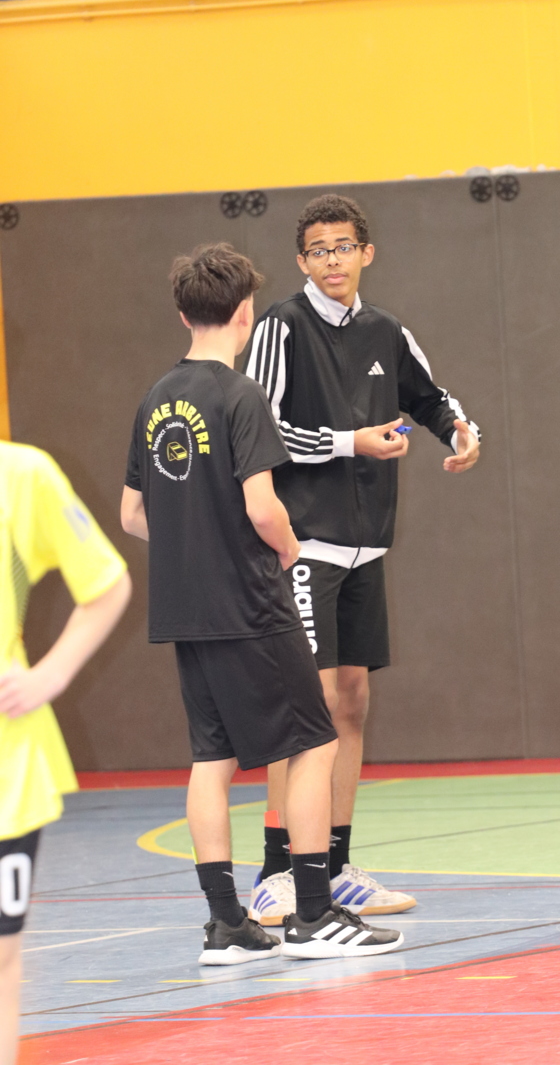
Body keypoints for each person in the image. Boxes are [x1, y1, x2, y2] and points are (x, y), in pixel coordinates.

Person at [121, 242, 403, 963]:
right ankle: (312, 915)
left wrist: (193, 543)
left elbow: (132, 514)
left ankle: (227, 926)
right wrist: (286, 549)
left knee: (211, 759)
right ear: (245, 312)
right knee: (313, 743)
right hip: (249, 602)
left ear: (183, 313)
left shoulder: (156, 398)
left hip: (184, 609)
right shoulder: (240, 395)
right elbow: (263, 507)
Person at [244, 194, 481, 925]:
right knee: (307, 708)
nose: (333, 260)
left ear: (366, 253)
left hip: (366, 543)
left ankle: (336, 865)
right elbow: (260, 427)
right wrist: (351, 442)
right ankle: (279, 871)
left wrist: (460, 430)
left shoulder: (386, 329)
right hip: (305, 543)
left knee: (351, 701)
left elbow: (430, 396)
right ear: (302, 260)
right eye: (319, 250)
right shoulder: (282, 326)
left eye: (344, 247)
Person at [0, 441, 131, 1065]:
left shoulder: (22, 475)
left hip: (8, 771)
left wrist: (50, 675)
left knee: (2, 952)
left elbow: (106, 584)